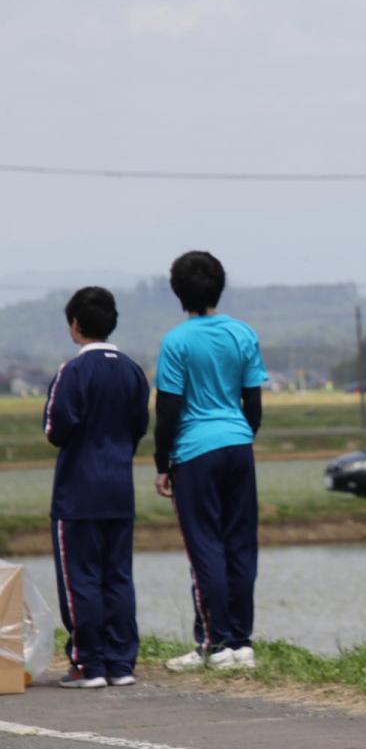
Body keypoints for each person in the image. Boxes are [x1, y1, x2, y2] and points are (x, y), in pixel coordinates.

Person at [154, 251, 268, 673]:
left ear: (177, 292)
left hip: (194, 451)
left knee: (205, 548)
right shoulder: (243, 333)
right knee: (240, 544)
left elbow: (168, 409)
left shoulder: (176, 342)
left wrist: (162, 463)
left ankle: (214, 644)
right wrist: (241, 436)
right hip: (239, 445)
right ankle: (240, 643)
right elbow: (252, 402)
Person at [44, 287, 150, 688]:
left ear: (75, 325)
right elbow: (139, 426)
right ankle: (121, 663)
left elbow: (56, 430)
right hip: (120, 489)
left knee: (80, 578)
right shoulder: (133, 371)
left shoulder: (71, 373)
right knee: (118, 576)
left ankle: (88, 663)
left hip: (78, 493)